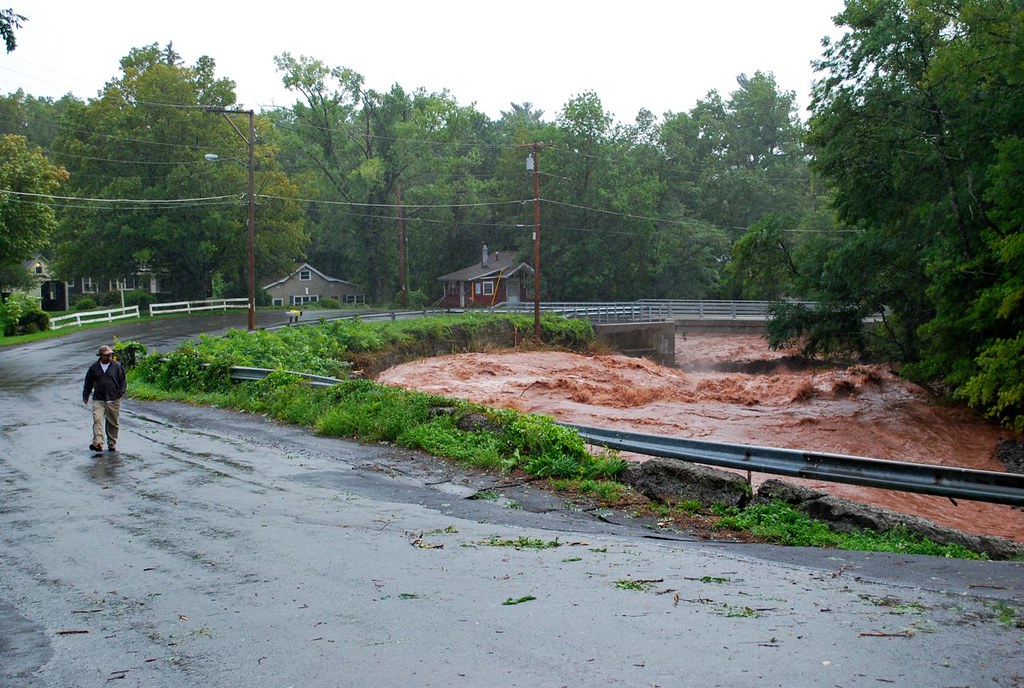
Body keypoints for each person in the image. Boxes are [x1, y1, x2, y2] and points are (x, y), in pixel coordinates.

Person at [83, 344, 126, 451]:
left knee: (113, 422)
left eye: (111, 354)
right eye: (107, 355)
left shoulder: (117, 366)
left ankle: (112, 442)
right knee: (97, 419)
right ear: (101, 356)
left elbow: (123, 381)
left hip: (113, 399)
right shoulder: (94, 368)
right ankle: (98, 443)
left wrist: (120, 393)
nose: (109, 357)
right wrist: (86, 394)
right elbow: (88, 382)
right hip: (99, 399)